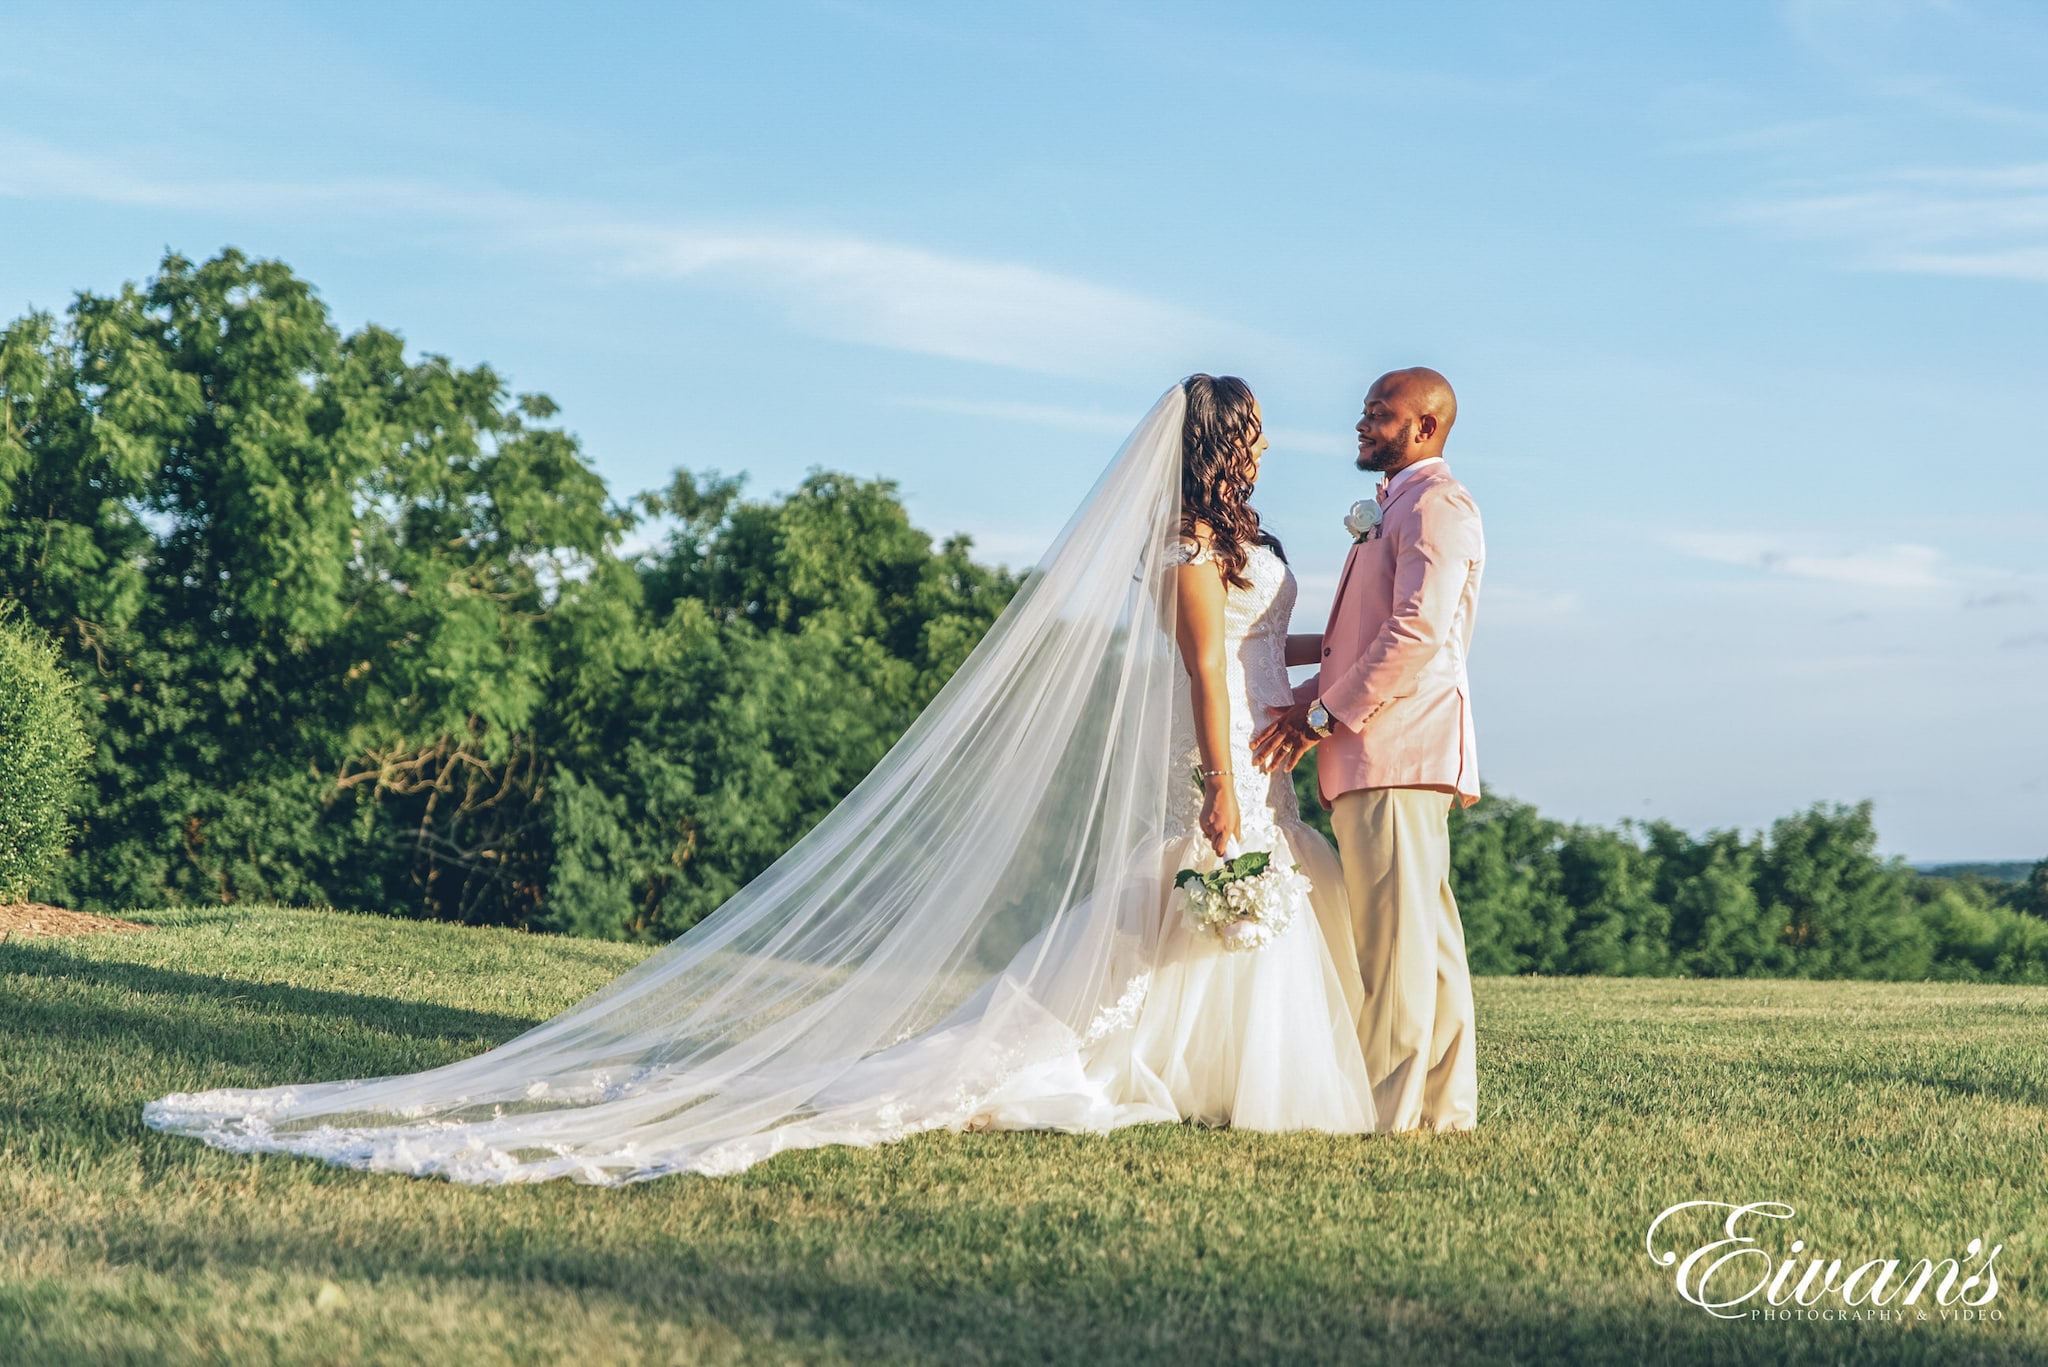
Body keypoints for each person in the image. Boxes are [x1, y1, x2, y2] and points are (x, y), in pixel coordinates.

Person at [143, 375, 1377, 1184]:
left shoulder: (1247, 538)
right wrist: (1221, 779)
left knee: (1199, 907)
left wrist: (1339, 659)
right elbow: (1205, 668)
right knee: (1188, 883)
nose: (1267, 437)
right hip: (1214, 742)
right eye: (1254, 424)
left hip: (1263, 732)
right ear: (1224, 440)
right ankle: (1080, 1056)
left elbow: (1263, 643)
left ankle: (1192, 1067)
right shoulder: (1182, 549)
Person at [1251, 366, 1483, 1134]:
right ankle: (1442, 1112)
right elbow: (1364, 638)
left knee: (1394, 947)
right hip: (1386, 750)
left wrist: (1317, 717)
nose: (1362, 424)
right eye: (1364, 412)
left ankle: (1385, 1111)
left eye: (1379, 415)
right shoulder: (1397, 508)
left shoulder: (1437, 506)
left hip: (1398, 749)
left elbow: (1414, 636)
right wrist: (1281, 667)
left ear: (1425, 426)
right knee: (1430, 940)